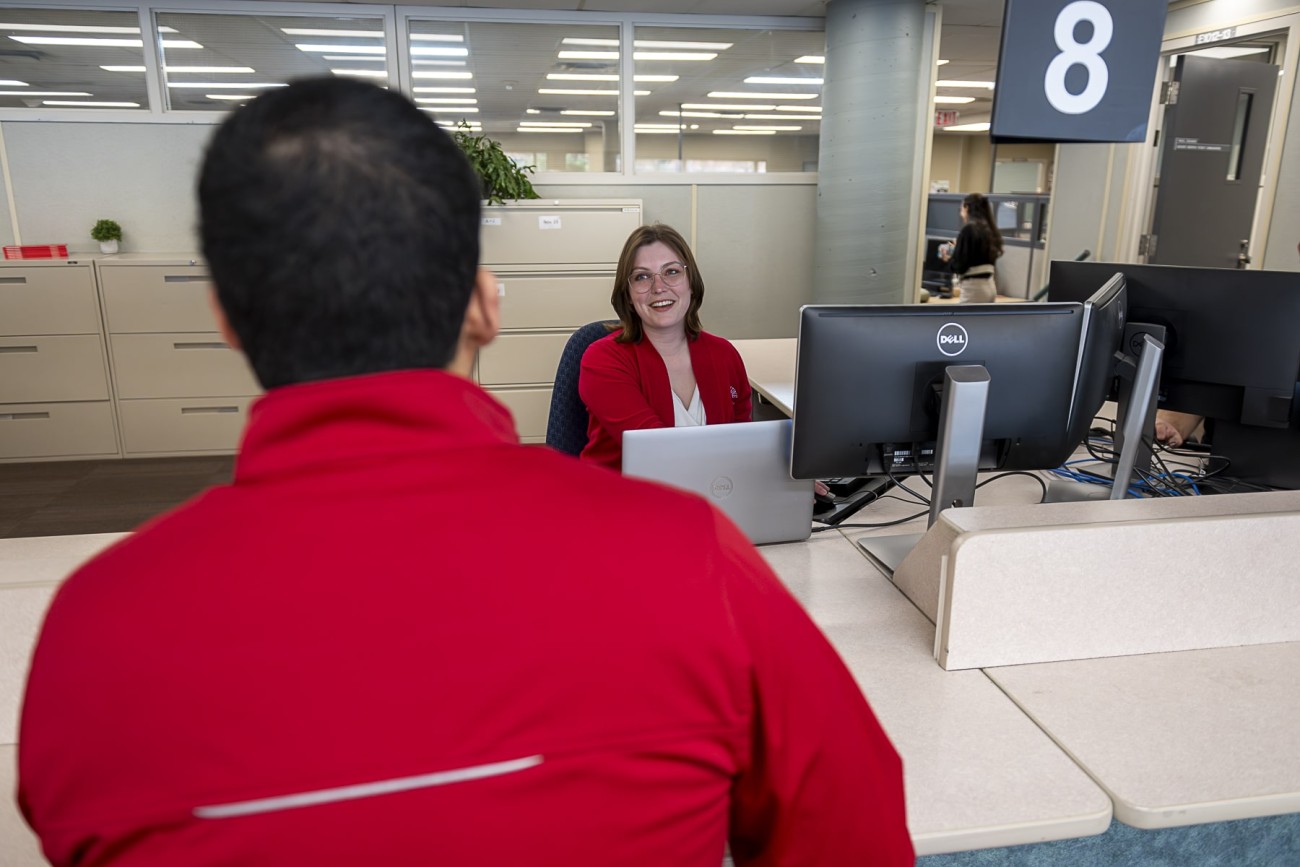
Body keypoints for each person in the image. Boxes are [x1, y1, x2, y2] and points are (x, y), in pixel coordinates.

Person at [17, 79, 912, 866]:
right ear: (484, 303)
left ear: (227, 319)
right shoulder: (692, 564)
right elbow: (855, 832)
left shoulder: (87, 635)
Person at [577, 224, 752, 470]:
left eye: (671, 272)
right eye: (642, 276)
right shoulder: (603, 360)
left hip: (708, 498)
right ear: (628, 294)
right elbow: (656, 452)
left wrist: (781, 479)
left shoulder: (724, 355)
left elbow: (745, 447)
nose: (659, 287)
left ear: (691, 282)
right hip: (622, 502)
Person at [939, 192, 1003, 303]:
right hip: (989, 286)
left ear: (967, 207)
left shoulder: (968, 229)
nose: (961, 213)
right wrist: (959, 248)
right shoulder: (989, 230)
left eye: (961, 209)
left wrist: (949, 258)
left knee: (963, 320)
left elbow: (960, 266)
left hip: (974, 288)